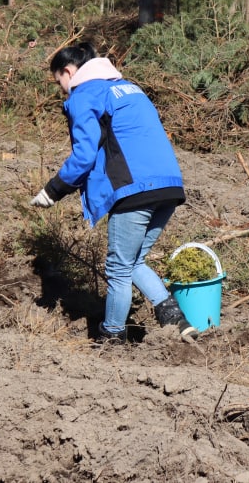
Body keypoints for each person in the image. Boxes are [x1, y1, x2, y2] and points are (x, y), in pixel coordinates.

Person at [30, 43, 196, 343]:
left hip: (134, 189)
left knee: (118, 268)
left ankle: (112, 337)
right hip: (169, 186)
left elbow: (84, 154)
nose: (63, 90)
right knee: (134, 261)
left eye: (60, 83)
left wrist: (53, 190)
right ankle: (175, 318)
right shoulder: (130, 88)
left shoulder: (85, 93)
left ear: (68, 71)